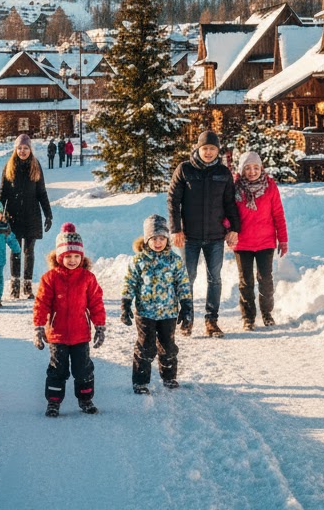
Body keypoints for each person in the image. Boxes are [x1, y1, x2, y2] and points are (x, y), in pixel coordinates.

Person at [167, 129, 239, 337]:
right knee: (187, 278)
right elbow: (173, 201)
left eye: (212, 149)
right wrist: (176, 229)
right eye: (205, 148)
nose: (208, 152)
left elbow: (230, 203)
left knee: (214, 278)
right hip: (189, 236)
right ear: (198, 149)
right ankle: (187, 318)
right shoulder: (185, 169)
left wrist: (234, 228)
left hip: (216, 236)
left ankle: (211, 320)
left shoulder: (223, 173)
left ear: (218, 151)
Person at [32, 223, 106, 417]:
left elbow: (96, 303)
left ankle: (86, 399)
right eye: (68, 256)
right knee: (58, 370)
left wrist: (99, 326)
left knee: (83, 370)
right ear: (59, 257)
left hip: (81, 334)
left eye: (76, 256)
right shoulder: (50, 278)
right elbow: (41, 303)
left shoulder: (87, 278)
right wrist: (39, 327)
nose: (72, 260)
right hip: (57, 335)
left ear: (82, 257)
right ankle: (54, 402)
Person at [121, 214, 193, 393]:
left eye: (162, 238)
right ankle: (140, 381)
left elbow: (183, 284)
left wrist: (186, 305)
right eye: (154, 238)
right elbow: (130, 282)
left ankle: (169, 377)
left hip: (169, 313)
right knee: (146, 347)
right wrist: (126, 303)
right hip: (145, 312)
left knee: (168, 346)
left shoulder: (174, 261)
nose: (158, 242)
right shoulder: (139, 261)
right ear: (147, 240)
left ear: (167, 239)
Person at [231, 150, 288, 329]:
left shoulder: (270, 187)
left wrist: (283, 240)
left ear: (261, 168)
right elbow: (228, 213)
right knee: (245, 282)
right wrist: (228, 229)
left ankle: (267, 313)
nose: (252, 171)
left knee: (266, 280)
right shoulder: (234, 188)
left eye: (256, 167)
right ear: (241, 170)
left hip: (266, 242)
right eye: (248, 168)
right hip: (242, 243)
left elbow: (278, 214)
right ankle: (248, 317)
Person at [0, 133, 53, 299]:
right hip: (13, 216)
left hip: (32, 215)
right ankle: (15, 286)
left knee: (29, 252)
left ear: (30, 149)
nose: (22, 151)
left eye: (26, 148)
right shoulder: (9, 167)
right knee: (15, 251)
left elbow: (41, 192)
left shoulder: (35, 166)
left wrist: (48, 214)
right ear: (16, 149)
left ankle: (27, 286)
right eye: (20, 148)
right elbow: (3, 193)